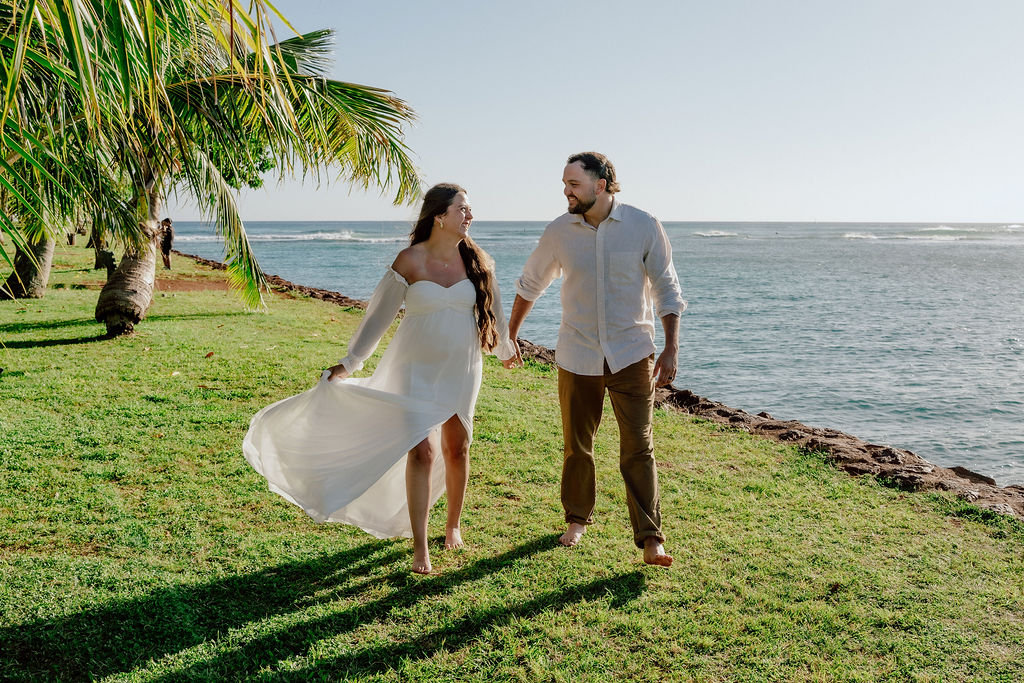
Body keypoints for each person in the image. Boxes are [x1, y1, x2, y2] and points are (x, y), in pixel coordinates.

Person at [243, 184, 518, 574]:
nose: (469, 216)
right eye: (463, 209)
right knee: (421, 451)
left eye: (469, 209)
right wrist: (349, 363)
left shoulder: (478, 263)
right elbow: (379, 317)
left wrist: (506, 351)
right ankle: (420, 545)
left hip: (462, 369)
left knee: (458, 448)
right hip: (414, 370)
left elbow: (497, 315)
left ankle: (453, 525)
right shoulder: (410, 260)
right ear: (439, 216)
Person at [506, 152, 685, 567]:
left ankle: (650, 539)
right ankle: (577, 519)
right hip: (577, 353)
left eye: (574, 184)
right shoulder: (559, 231)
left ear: (600, 184)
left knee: (639, 447)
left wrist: (672, 347)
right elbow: (531, 282)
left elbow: (667, 288)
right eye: (565, 185)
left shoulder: (643, 225)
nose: (566, 192)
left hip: (632, 354)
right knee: (577, 447)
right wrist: (511, 334)